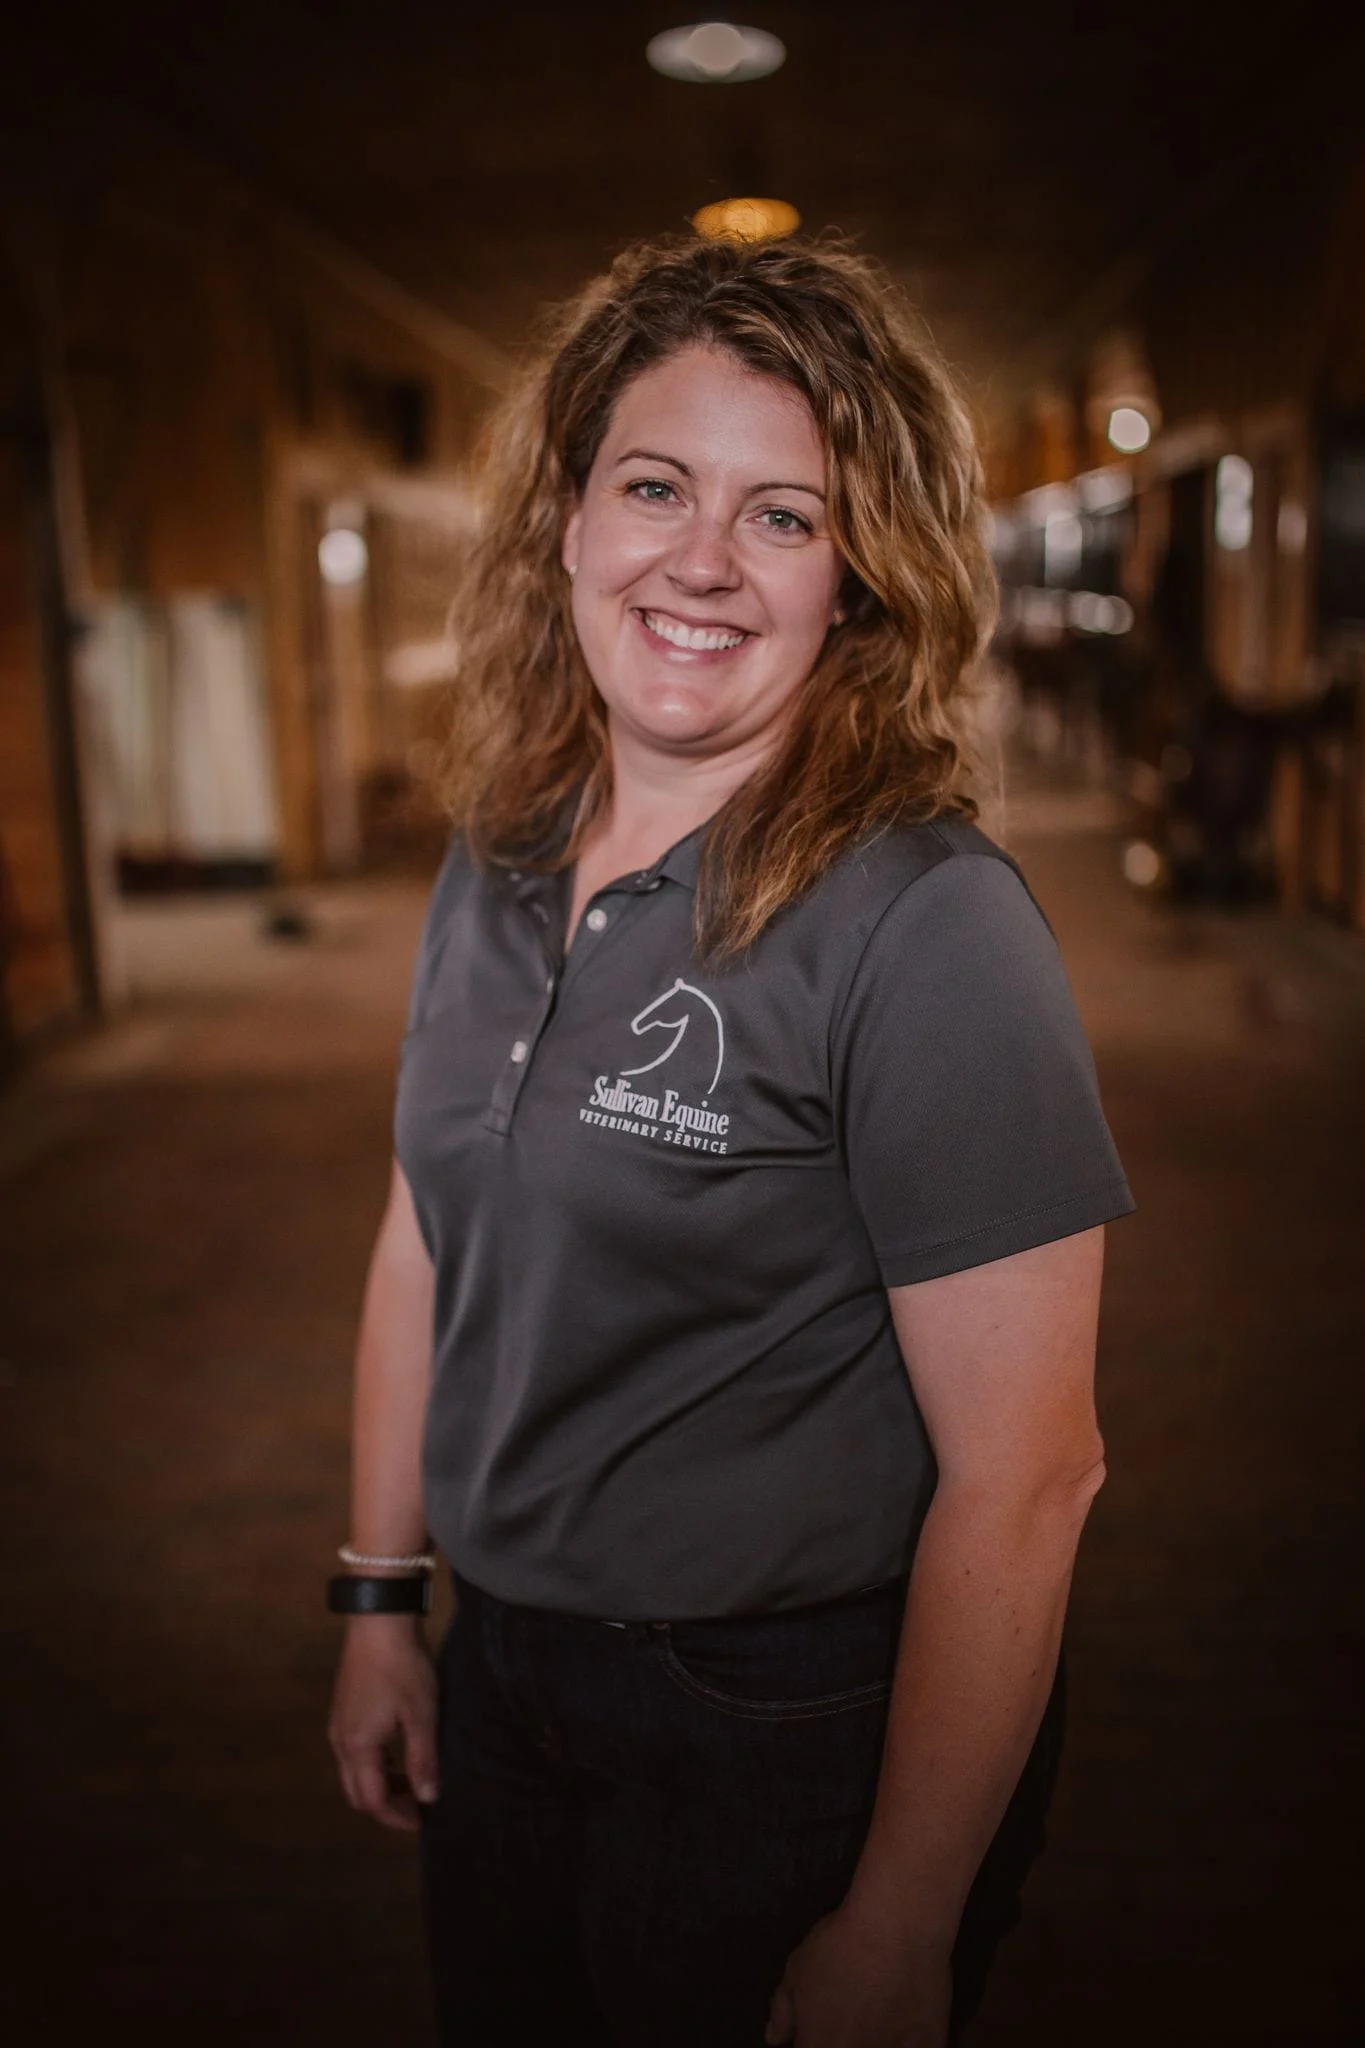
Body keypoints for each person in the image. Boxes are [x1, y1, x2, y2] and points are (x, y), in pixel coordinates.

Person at [326, 234, 1134, 2048]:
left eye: (784, 514)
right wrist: (384, 1595)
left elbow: (1031, 1481)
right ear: (569, 522)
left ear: (858, 578)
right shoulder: (503, 848)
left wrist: (902, 1921)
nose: (700, 557)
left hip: (779, 1721)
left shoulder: (927, 925)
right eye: (657, 486)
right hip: (507, 1667)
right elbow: (423, 1238)